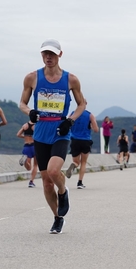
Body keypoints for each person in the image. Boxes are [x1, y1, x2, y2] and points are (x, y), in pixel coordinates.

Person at [19, 38, 86, 234]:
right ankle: (57, 218)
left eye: (52, 54)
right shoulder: (32, 78)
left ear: (60, 55)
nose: (48, 57)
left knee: (54, 171)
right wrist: (30, 112)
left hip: (60, 132)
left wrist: (70, 121)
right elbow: (22, 103)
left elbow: (82, 104)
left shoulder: (71, 79)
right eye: (45, 54)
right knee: (47, 183)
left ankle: (63, 192)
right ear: (41, 55)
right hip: (41, 133)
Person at [65, 107, 99, 189]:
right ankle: (80, 183)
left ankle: (74, 165)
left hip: (74, 140)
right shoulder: (90, 115)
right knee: (83, 162)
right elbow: (96, 129)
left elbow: (67, 124)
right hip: (86, 140)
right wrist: (91, 126)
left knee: (76, 162)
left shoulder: (72, 114)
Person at [17, 121, 38, 188]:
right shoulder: (36, 126)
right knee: (35, 165)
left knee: (28, 168)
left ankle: (25, 161)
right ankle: (31, 182)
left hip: (26, 146)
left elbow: (18, 134)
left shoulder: (25, 125)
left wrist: (25, 137)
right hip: (34, 146)